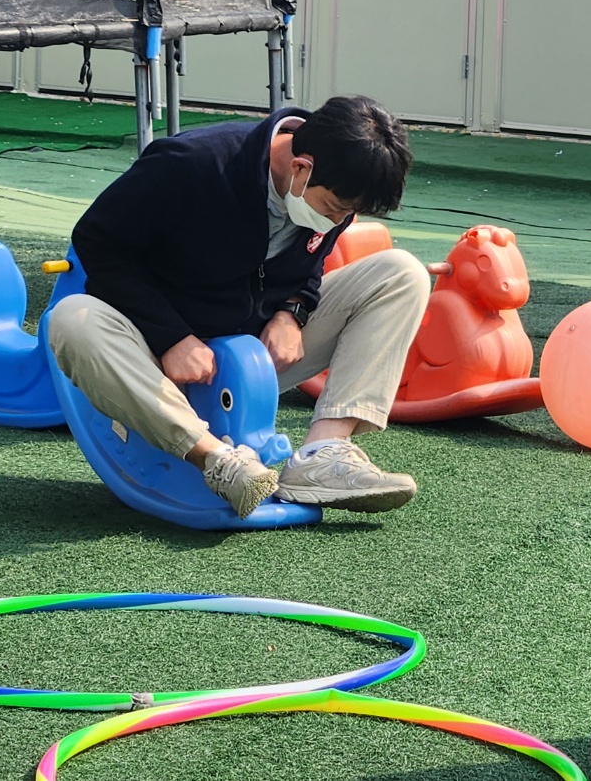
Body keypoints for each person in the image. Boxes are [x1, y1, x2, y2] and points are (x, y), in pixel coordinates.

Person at [47, 94, 431, 518]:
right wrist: (171, 337)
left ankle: (322, 453)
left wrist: (293, 311)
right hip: (158, 359)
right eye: (337, 208)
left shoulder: (329, 194)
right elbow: (98, 244)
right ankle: (216, 460)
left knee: (401, 273)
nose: (340, 220)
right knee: (72, 319)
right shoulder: (190, 163)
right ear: (301, 168)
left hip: (248, 357)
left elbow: (311, 263)